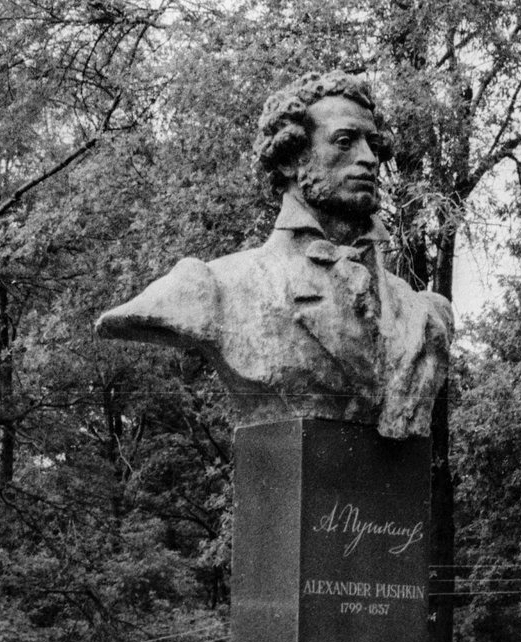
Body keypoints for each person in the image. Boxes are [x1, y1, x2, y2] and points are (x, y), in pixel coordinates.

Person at [94, 70, 454, 440]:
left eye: (373, 146)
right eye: (345, 141)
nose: (368, 159)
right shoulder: (215, 289)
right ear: (290, 160)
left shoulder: (426, 316)